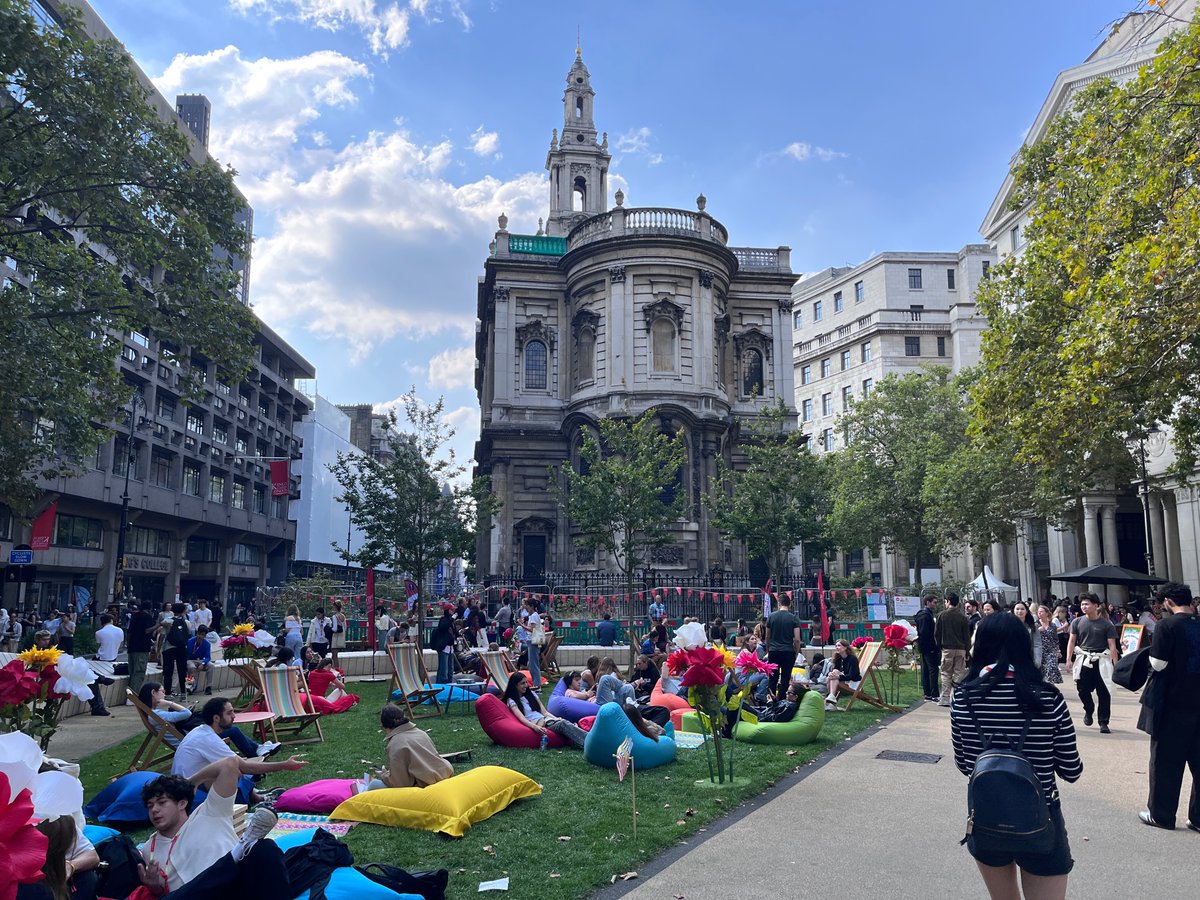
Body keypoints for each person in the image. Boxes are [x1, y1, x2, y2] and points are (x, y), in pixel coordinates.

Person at [951, 612, 1082, 900]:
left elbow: (964, 764)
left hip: (986, 814)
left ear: (981, 646)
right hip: (1041, 816)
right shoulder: (1048, 698)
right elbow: (1071, 770)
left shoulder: (962, 698)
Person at [137, 756, 289, 896]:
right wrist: (154, 887)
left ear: (182, 803)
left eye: (162, 802)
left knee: (265, 848)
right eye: (150, 806)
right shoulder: (149, 848)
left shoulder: (210, 813)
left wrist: (190, 783)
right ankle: (240, 849)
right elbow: (164, 892)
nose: (154, 810)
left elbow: (229, 764)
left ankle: (242, 849)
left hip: (236, 890)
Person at [1139, 582, 1200, 831]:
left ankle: (1161, 815)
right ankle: (1197, 818)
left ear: (1168, 602)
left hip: (1173, 702)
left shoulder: (1167, 625)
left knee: (1166, 762)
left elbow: (1159, 663)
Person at [172, 697, 305, 805]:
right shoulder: (208, 738)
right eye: (229, 713)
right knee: (235, 771)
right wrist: (285, 765)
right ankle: (257, 798)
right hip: (191, 790)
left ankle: (256, 795)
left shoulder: (202, 731)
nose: (234, 716)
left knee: (235, 769)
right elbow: (245, 767)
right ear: (216, 718)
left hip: (189, 782)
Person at [357, 704, 453, 792]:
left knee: (373, 784)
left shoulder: (395, 743)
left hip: (425, 786)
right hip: (443, 776)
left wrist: (384, 775)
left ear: (385, 726)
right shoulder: (420, 733)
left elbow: (401, 784)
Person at [1065, 593, 1118, 734]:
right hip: (1084, 658)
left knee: (1104, 692)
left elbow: (1112, 645)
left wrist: (1115, 664)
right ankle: (1088, 709)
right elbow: (1071, 641)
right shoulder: (1076, 622)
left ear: (1096, 606)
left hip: (1101, 659)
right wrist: (1068, 659)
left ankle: (1103, 722)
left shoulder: (1107, 625)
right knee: (1082, 689)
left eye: (1087, 604)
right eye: (1082, 604)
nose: (1084, 607)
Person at [503, 671, 588, 748]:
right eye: (522, 683)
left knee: (564, 722)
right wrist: (535, 727)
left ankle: (588, 738)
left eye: (526, 682)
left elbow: (545, 712)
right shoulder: (512, 701)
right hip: (538, 724)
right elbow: (522, 718)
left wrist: (556, 718)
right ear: (515, 685)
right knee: (563, 724)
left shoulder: (531, 695)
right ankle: (588, 742)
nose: (526, 685)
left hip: (546, 720)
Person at [935, 592, 971, 707]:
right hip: (961, 649)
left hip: (947, 648)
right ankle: (956, 695)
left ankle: (945, 697)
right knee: (959, 672)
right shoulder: (963, 617)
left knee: (946, 673)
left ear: (948, 601)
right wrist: (967, 650)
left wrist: (939, 646)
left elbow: (937, 633)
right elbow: (967, 635)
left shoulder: (941, 615)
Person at [764, 593, 802, 700]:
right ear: (789, 604)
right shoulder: (794, 618)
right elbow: (797, 639)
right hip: (788, 651)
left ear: (778, 603)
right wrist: (796, 652)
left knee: (772, 677)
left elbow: (767, 636)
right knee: (785, 678)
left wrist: (768, 649)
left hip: (774, 651)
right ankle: (781, 700)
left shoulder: (771, 616)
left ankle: (770, 700)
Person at [160, 603, 191, 697]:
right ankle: (183, 693)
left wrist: (158, 649)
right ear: (183, 611)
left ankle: (168, 693)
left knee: (168, 672)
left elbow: (162, 634)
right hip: (181, 648)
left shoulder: (167, 621)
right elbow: (188, 634)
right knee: (182, 671)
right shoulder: (187, 622)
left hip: (169, 648)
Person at [821, 639, 861, 711]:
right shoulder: (838, 658)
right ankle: (831, 698)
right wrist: (830, 674)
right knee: (833, 674)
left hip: (853, 683)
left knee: (834, 675)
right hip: (844, 681)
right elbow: (835, 672)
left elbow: (852, 676)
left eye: (839, 645)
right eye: (836, 646)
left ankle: (830, 699)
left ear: (845, 647)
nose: (836, 647)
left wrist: (838, 676)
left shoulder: (852, 659)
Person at [914, 593, 941, 701]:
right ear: (928, 602)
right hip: (929, 646)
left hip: (924, 646)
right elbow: (925, 632)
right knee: (933, 670)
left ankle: (928, 693)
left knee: (926, 669)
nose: (936, 604)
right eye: (934, 602)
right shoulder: (926, 615)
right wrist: (931, 646)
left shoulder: (924, 614)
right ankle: (933, 694)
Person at [1036, 605, 1062, 684]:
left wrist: (1058, 650)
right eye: (1038, 612)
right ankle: (1045, 685)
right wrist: (1037, 631)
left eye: (1041, 612)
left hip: (1051, 649)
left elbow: (1055, 639)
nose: (1039, 614)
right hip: (1040, 650)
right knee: (1043, 669)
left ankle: (1051, 684)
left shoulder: (1052, 625)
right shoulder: (1036, 625)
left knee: (1051, 667)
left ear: (1047, 613)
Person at [431, 608, 456, 683]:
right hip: (444, 647)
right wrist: (451, 619)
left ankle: (450, 683)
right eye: (451, 610)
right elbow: (443, 627)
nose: (453, 612)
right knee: (443, 669)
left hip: (450, 647)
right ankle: (442, 684)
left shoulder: (451, 622)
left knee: (450, 669)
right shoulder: (444, 620)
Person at [1012, 601, 1040, 666]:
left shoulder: (1033, 626)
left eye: (1022, 609)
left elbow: (1037, 645)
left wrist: (1037, 661)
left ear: (1026, 611)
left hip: (1028, 659)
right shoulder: (1008, 625)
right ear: (1013, 611)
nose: (1020, 611)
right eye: (1017, 609)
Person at [523, 598, 543, 688]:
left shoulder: (534, 616)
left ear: (531, 606)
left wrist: (521, 625)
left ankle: (537, 684)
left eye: (527, 605)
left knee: (533, 664)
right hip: (531, 641)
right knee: (532, 664)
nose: (525, 607)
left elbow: (532, 629)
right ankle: (536, 683)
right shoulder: (532, 616)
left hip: (533, 641)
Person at [328, 600, 347, 667]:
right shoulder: (343, 616)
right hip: (341, 636)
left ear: (335, 607)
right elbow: (345, 627)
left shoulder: (335, 616)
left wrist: (330, 628)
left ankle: (336, 669)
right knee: (335, 655)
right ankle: (336, 668)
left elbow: (335, 628)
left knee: (334, 655)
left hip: (335, 637)